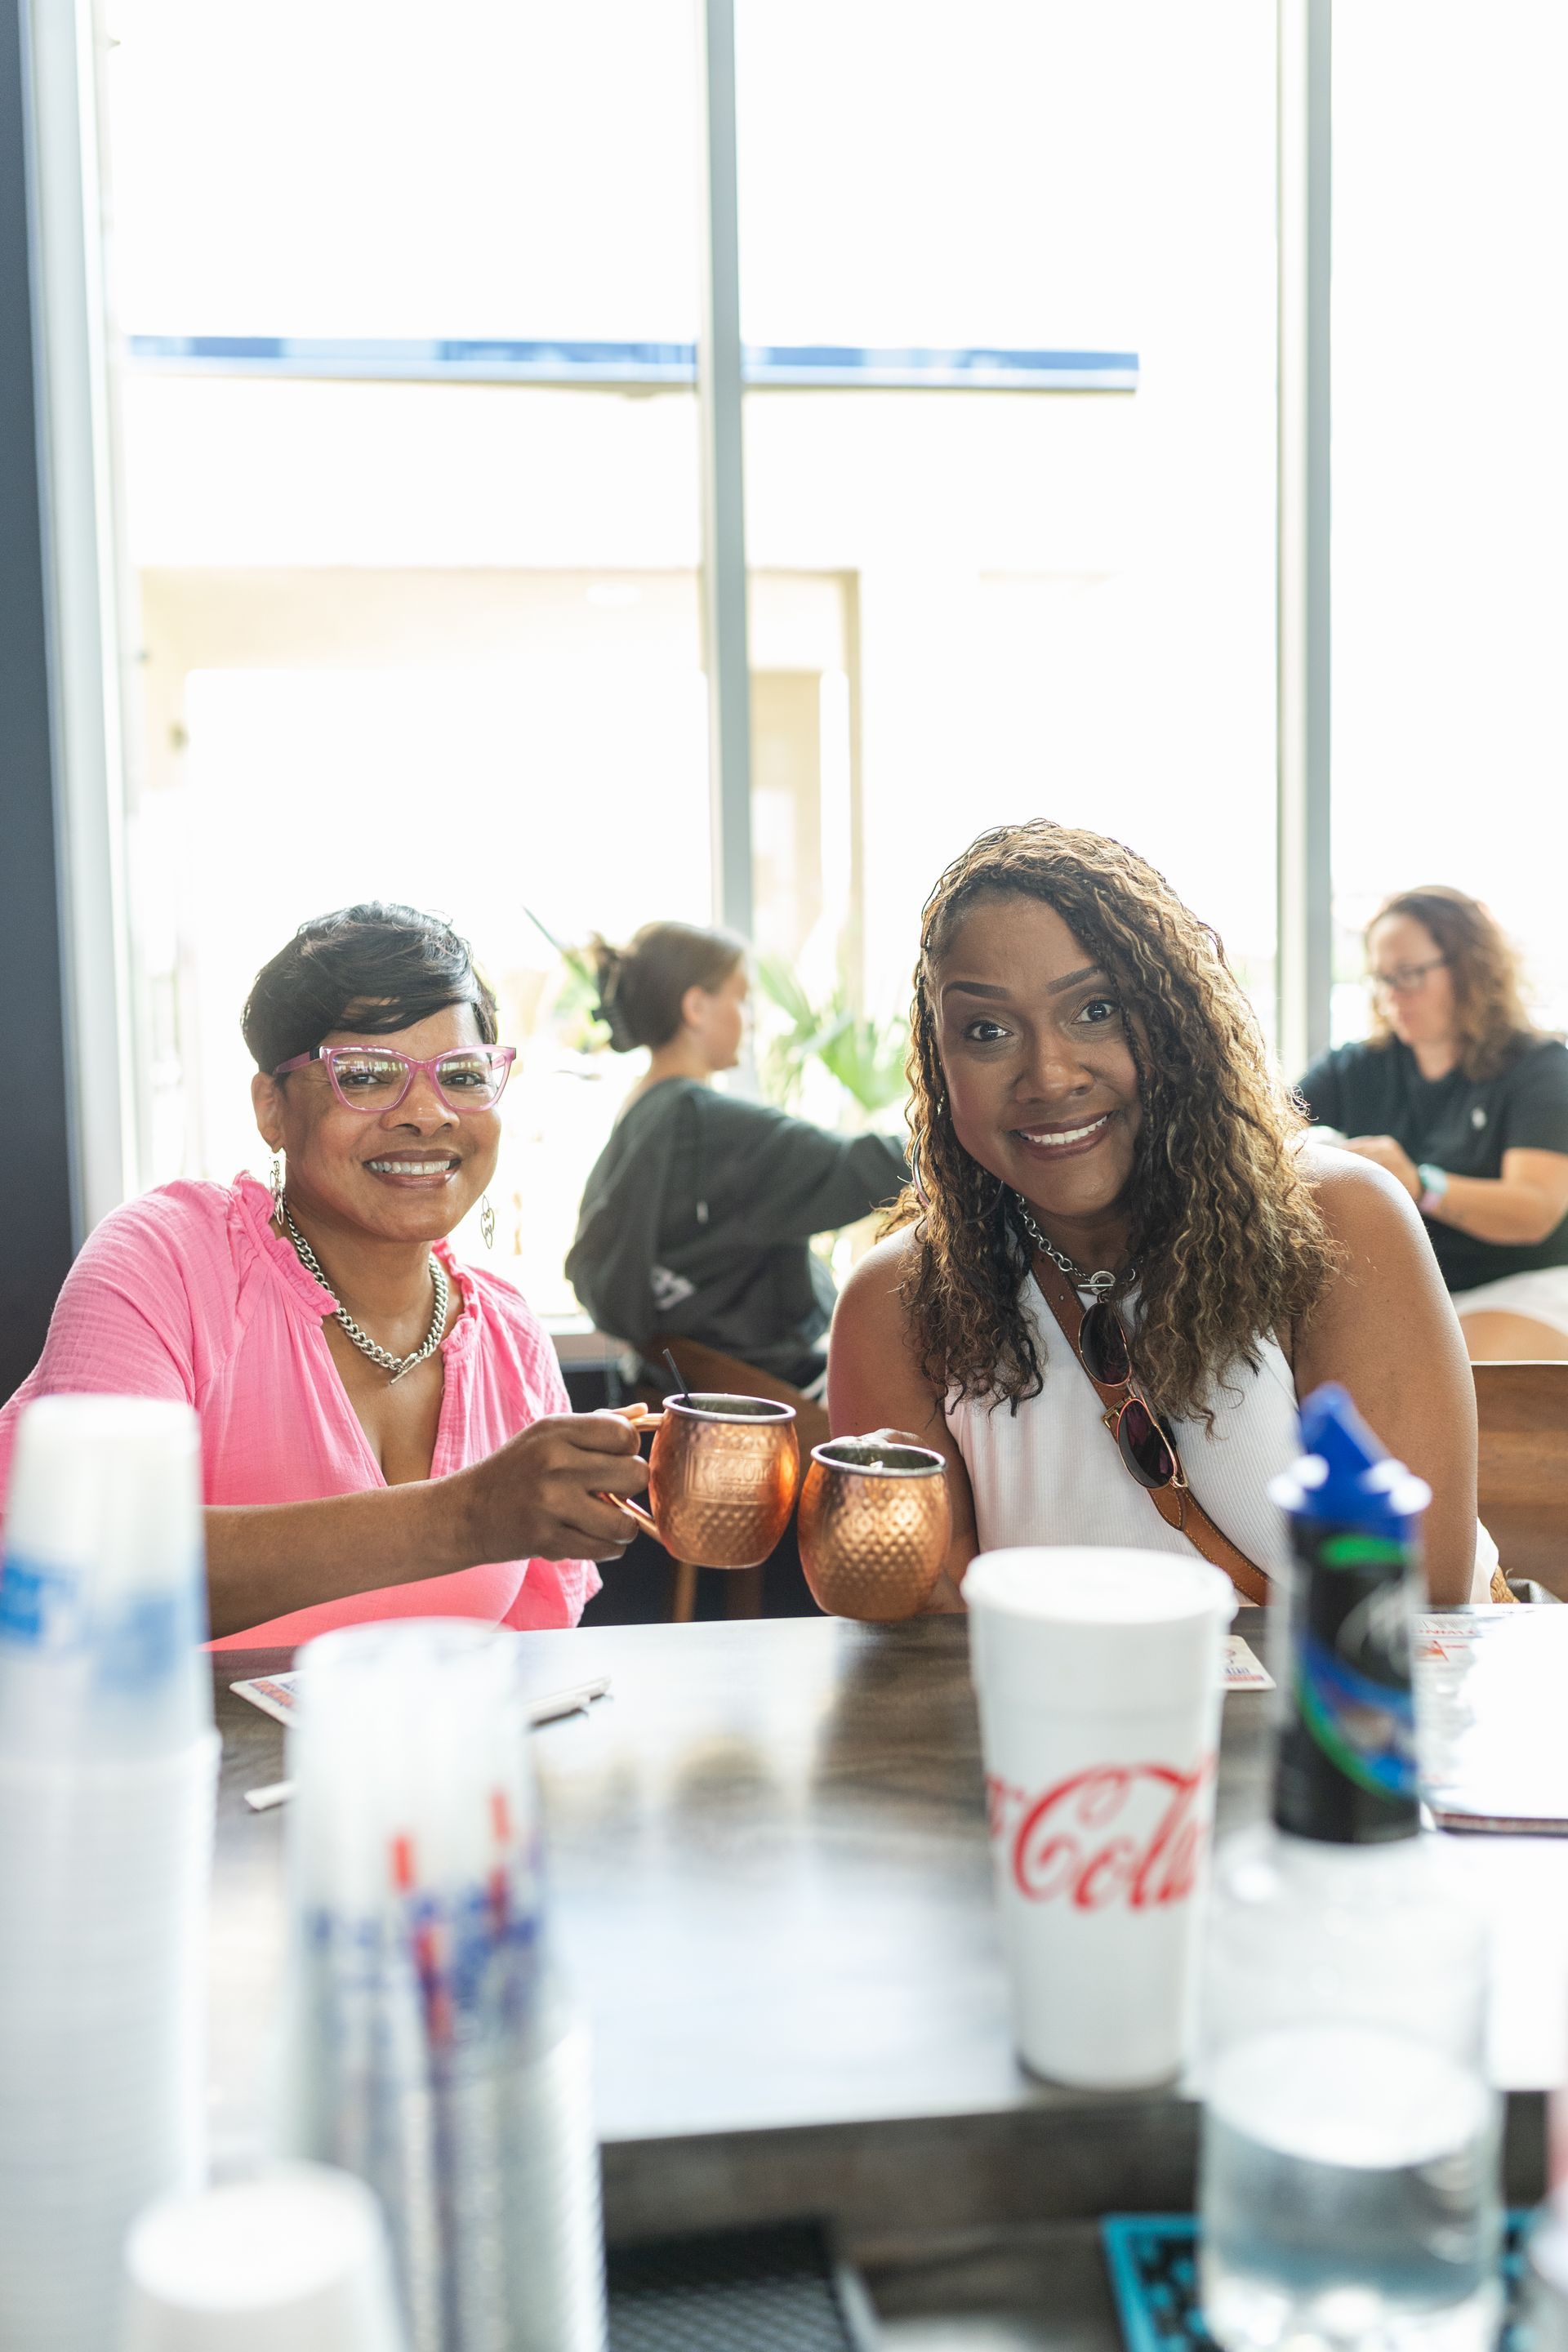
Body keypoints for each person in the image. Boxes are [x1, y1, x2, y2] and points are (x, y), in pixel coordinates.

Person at [829, 824, 1501, 1612]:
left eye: (1097, 1009)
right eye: (987, 1030)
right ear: (940, 1065)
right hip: (1072, 1730)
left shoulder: (1338, 1221)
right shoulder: (897, 1304)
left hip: (1342, 1727)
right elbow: (933, 1649)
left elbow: (1420, 1603)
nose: (1048, 1075)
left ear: (1178, 1021)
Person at [0, 904, 648, 1647]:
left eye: (463, 1075)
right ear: (271, 1109)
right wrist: (466, 1517)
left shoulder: (509, 1338)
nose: (429, 1114)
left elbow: (533, 1648)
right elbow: (90, 1561)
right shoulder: (167, 1263)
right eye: (367, 1076)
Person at [565, 921, 906, 1390]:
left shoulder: (643, 1112)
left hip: (679, 1390)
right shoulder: (707, 1123)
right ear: (696, 1006)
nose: (751, 1017)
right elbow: (868, 1168)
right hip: (767, 1398)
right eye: (740, 997)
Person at [1298, 888, 1568, 1361]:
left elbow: (1535, 1212)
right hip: (1409, 1291)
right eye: (1382, 978)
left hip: (1519, 1283)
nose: (1392, 994)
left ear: (1470, 969)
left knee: (1451, 1369)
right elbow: (1257, 1133)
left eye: (1410, 975)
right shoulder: (1355, 1067)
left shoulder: (1539, 1068)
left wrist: (1421, 1186)